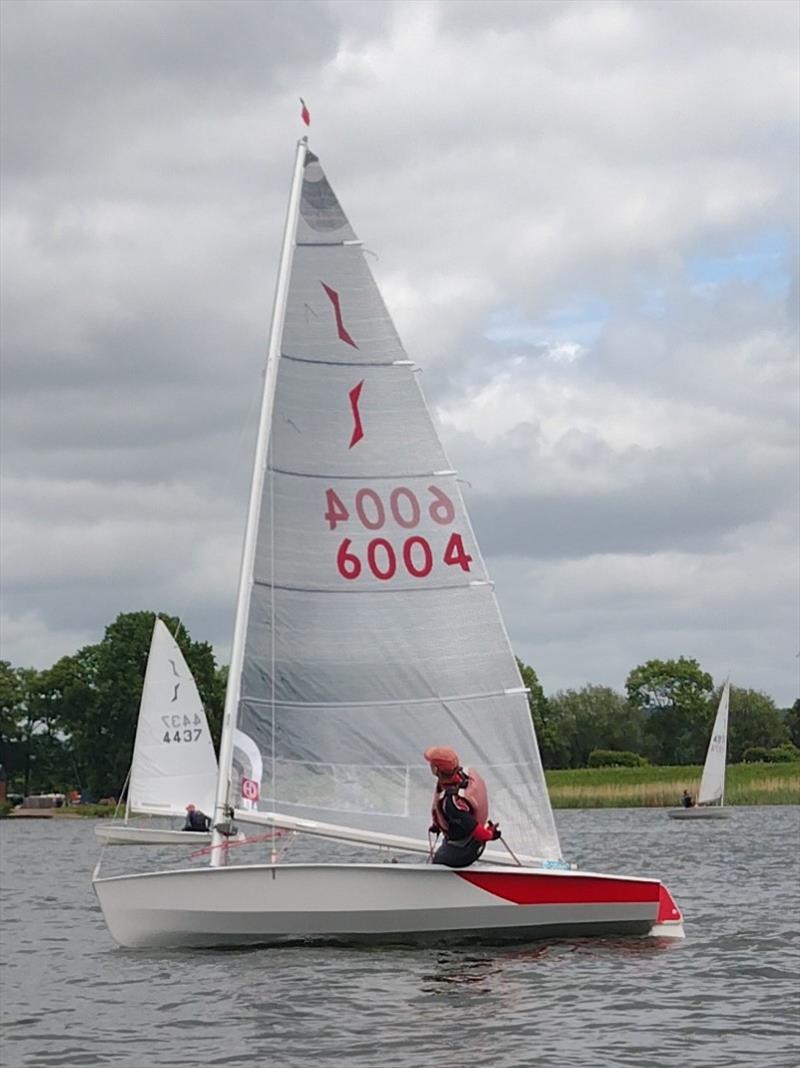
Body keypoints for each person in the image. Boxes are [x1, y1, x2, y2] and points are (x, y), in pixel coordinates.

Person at [424, 746, 501, 869]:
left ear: (436, 769)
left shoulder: (452, 803)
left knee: (437, 862)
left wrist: (491, 834)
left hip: (466, 851)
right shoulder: (464, 776)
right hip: (469, 842)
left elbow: (476, 830)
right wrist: (437, 825)